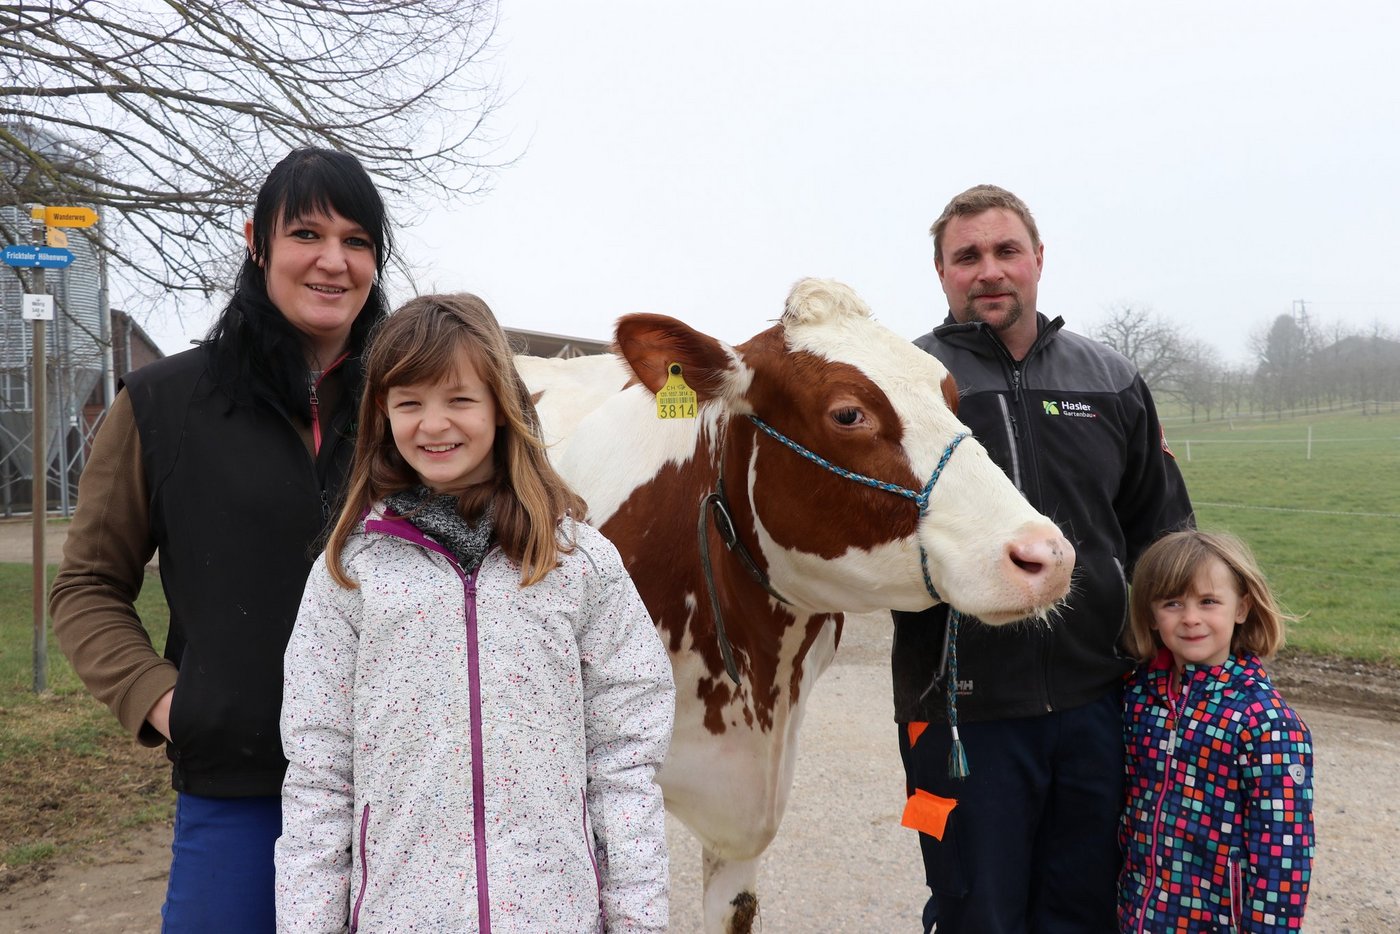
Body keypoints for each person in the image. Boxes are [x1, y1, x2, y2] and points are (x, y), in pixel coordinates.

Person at [49, 147, 393, 932]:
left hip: (403, 796)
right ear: (256, 243)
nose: (333, 261)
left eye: (358, 240)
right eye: (307, 233)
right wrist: (170, 704)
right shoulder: (162, 405)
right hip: (240, 796)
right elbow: (86, 588)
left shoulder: (415, 413)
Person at [274, 293, 675, 932]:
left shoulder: (578, 563)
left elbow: (624, 762)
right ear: (383, 414)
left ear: (501, 404)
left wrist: (638, 922)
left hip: (554, 913)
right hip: (401, 915)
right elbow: (320, 777)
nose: (434, 424)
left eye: (458, 399)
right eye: (409, 402)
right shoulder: (349, 575)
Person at [891, 184, 1194, 933]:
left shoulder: (1112, 379)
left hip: (1100, 704)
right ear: (941, 272)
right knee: (975, 913)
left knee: (1085, 908)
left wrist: (1189, 651)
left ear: (1037, 259)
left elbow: (1161, 531)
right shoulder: (909, 384)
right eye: (967, 256)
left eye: (1005, 250)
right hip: (961, 712)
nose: (988, 269)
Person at [1119, 529, 1314, 932]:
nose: (1190, 618)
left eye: (1208, 602)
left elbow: (1284, 855)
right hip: (1137, 915)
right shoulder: (1136, 697)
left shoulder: (1266, 722)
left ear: (1241, 608)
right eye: (1172, 603)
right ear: (1152, 615)